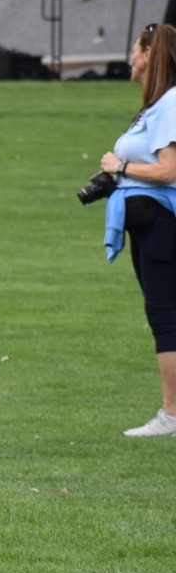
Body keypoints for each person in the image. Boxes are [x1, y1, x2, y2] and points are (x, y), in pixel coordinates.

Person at [94, 24, 176, 435]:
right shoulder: (158, 104)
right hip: (150, 221)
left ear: (150, 54)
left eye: (134, 50)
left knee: (165, 315)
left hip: (163, 222)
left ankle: (172, 415)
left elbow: (169, 170)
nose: (130, 58)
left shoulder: (172, 103)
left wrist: (120, 167)